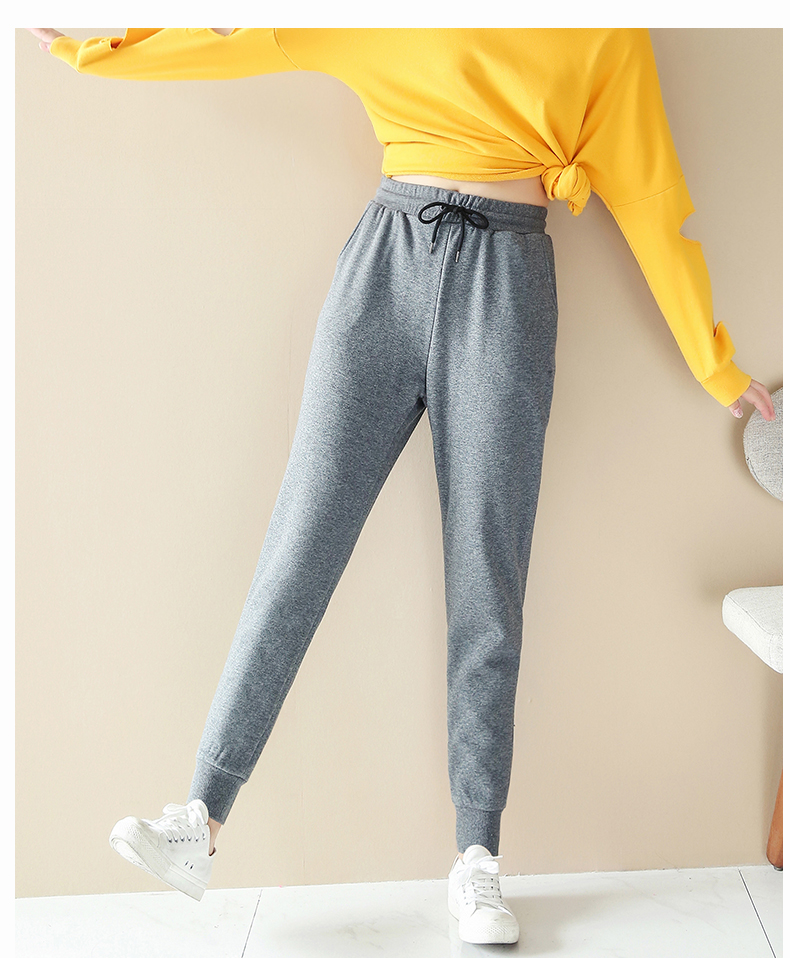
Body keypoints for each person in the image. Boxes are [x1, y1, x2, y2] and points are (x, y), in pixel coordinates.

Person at [26, 27, 776, 947]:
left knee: (487, 578)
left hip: (508, 283)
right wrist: (93, 46)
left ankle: (478, 859)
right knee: (302, 541)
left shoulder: (604, 31)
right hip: (383, 265)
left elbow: (652, 199)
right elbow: (243, 35)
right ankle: (199, 819)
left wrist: (712, 360)